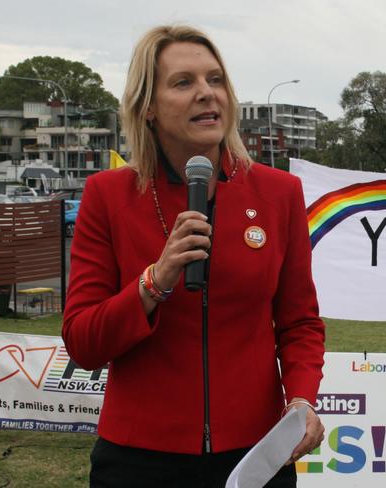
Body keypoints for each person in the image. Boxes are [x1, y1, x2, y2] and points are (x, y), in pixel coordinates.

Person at [62, 24, 325, 487]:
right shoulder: (107, 194)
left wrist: (301, 399)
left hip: (256, 456)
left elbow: (299, 323)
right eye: (184, 82)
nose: (207, 94)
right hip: (137, 461)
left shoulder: (279, 193)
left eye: (216, 79)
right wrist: (154, 282)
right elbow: (83, 343)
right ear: (148, 107)